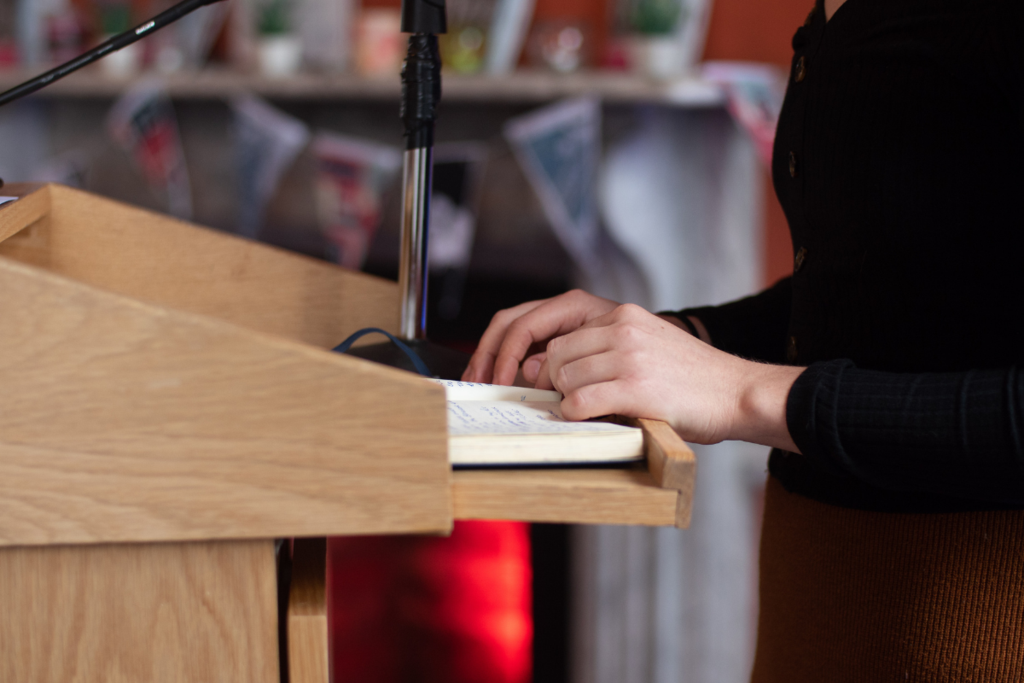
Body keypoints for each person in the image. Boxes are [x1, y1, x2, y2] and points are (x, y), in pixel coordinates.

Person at [463, 0, 1024, 680]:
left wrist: (738, 391)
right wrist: (681, 337)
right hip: (813, 598)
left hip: (972, 628)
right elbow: (886, 285)